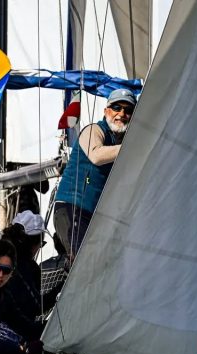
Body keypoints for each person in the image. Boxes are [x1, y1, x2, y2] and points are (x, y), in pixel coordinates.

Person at [52, 88, 136, 261]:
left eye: (128, 110)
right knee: (82, 263)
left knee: (99, 265)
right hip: (72, 209)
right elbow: (96, 155)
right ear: (106, 111)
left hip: (95, 217)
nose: (122, 114)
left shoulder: (122, 144)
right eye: (116, 108)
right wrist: (133, 146)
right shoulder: (94, 130)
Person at [1, 210, 59, 325]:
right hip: (8, 330)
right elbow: (37, 306)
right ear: (32, 243)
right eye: (41, 244)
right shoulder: (25, 267)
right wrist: (62, 286)